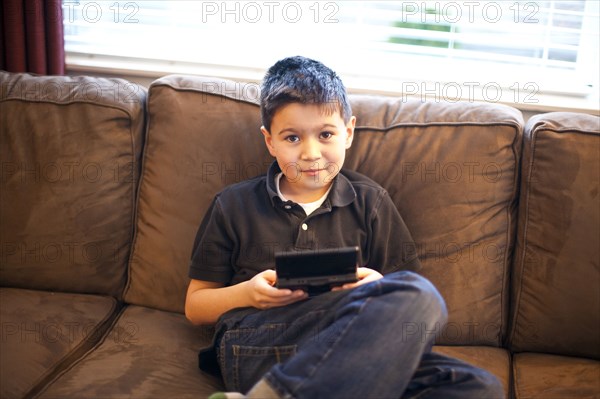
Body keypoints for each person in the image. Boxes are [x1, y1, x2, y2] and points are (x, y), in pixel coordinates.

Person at [185, 56, 504, 399]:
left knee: (478, 385)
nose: (310, 153)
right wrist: (249, 293)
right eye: (292, 138)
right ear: (270, 141)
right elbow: (195, 305)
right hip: (261, 342)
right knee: (419, 295)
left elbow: (406, 302)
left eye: (325, 134)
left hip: (351, 346)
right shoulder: (233, 204)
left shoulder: (371, 202)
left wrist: (377, 286)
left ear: (348, 132)